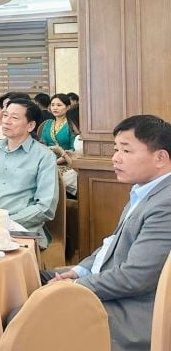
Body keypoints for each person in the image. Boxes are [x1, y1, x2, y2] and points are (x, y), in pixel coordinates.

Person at [46, 115, 171, 351]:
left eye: (126, 150)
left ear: (160, 157)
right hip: (114, 285)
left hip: (137, 310)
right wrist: (78, 270)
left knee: (27, 315)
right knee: (32, 281)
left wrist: (77, 286)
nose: (115, 158)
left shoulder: (166, 203)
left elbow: (136, 278)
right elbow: (111, 244)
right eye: (115, 149)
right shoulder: (145, 189)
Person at [0, 98, 58, 248]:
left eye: (14, 117)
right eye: (5, 115)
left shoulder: (44, 156)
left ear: (30, 125)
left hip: (20, 230)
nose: (6, 121)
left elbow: (45, 207)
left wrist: (5, 222)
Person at [39, 94, 75, 163]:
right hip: (48, 161)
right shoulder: (47, 124)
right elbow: (42, 144)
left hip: (67, 163)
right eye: (52, 105)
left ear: (67, 107)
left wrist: (58, 161)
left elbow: (74, 149)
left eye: (59, 105)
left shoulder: (72, 125)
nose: (55, 108)